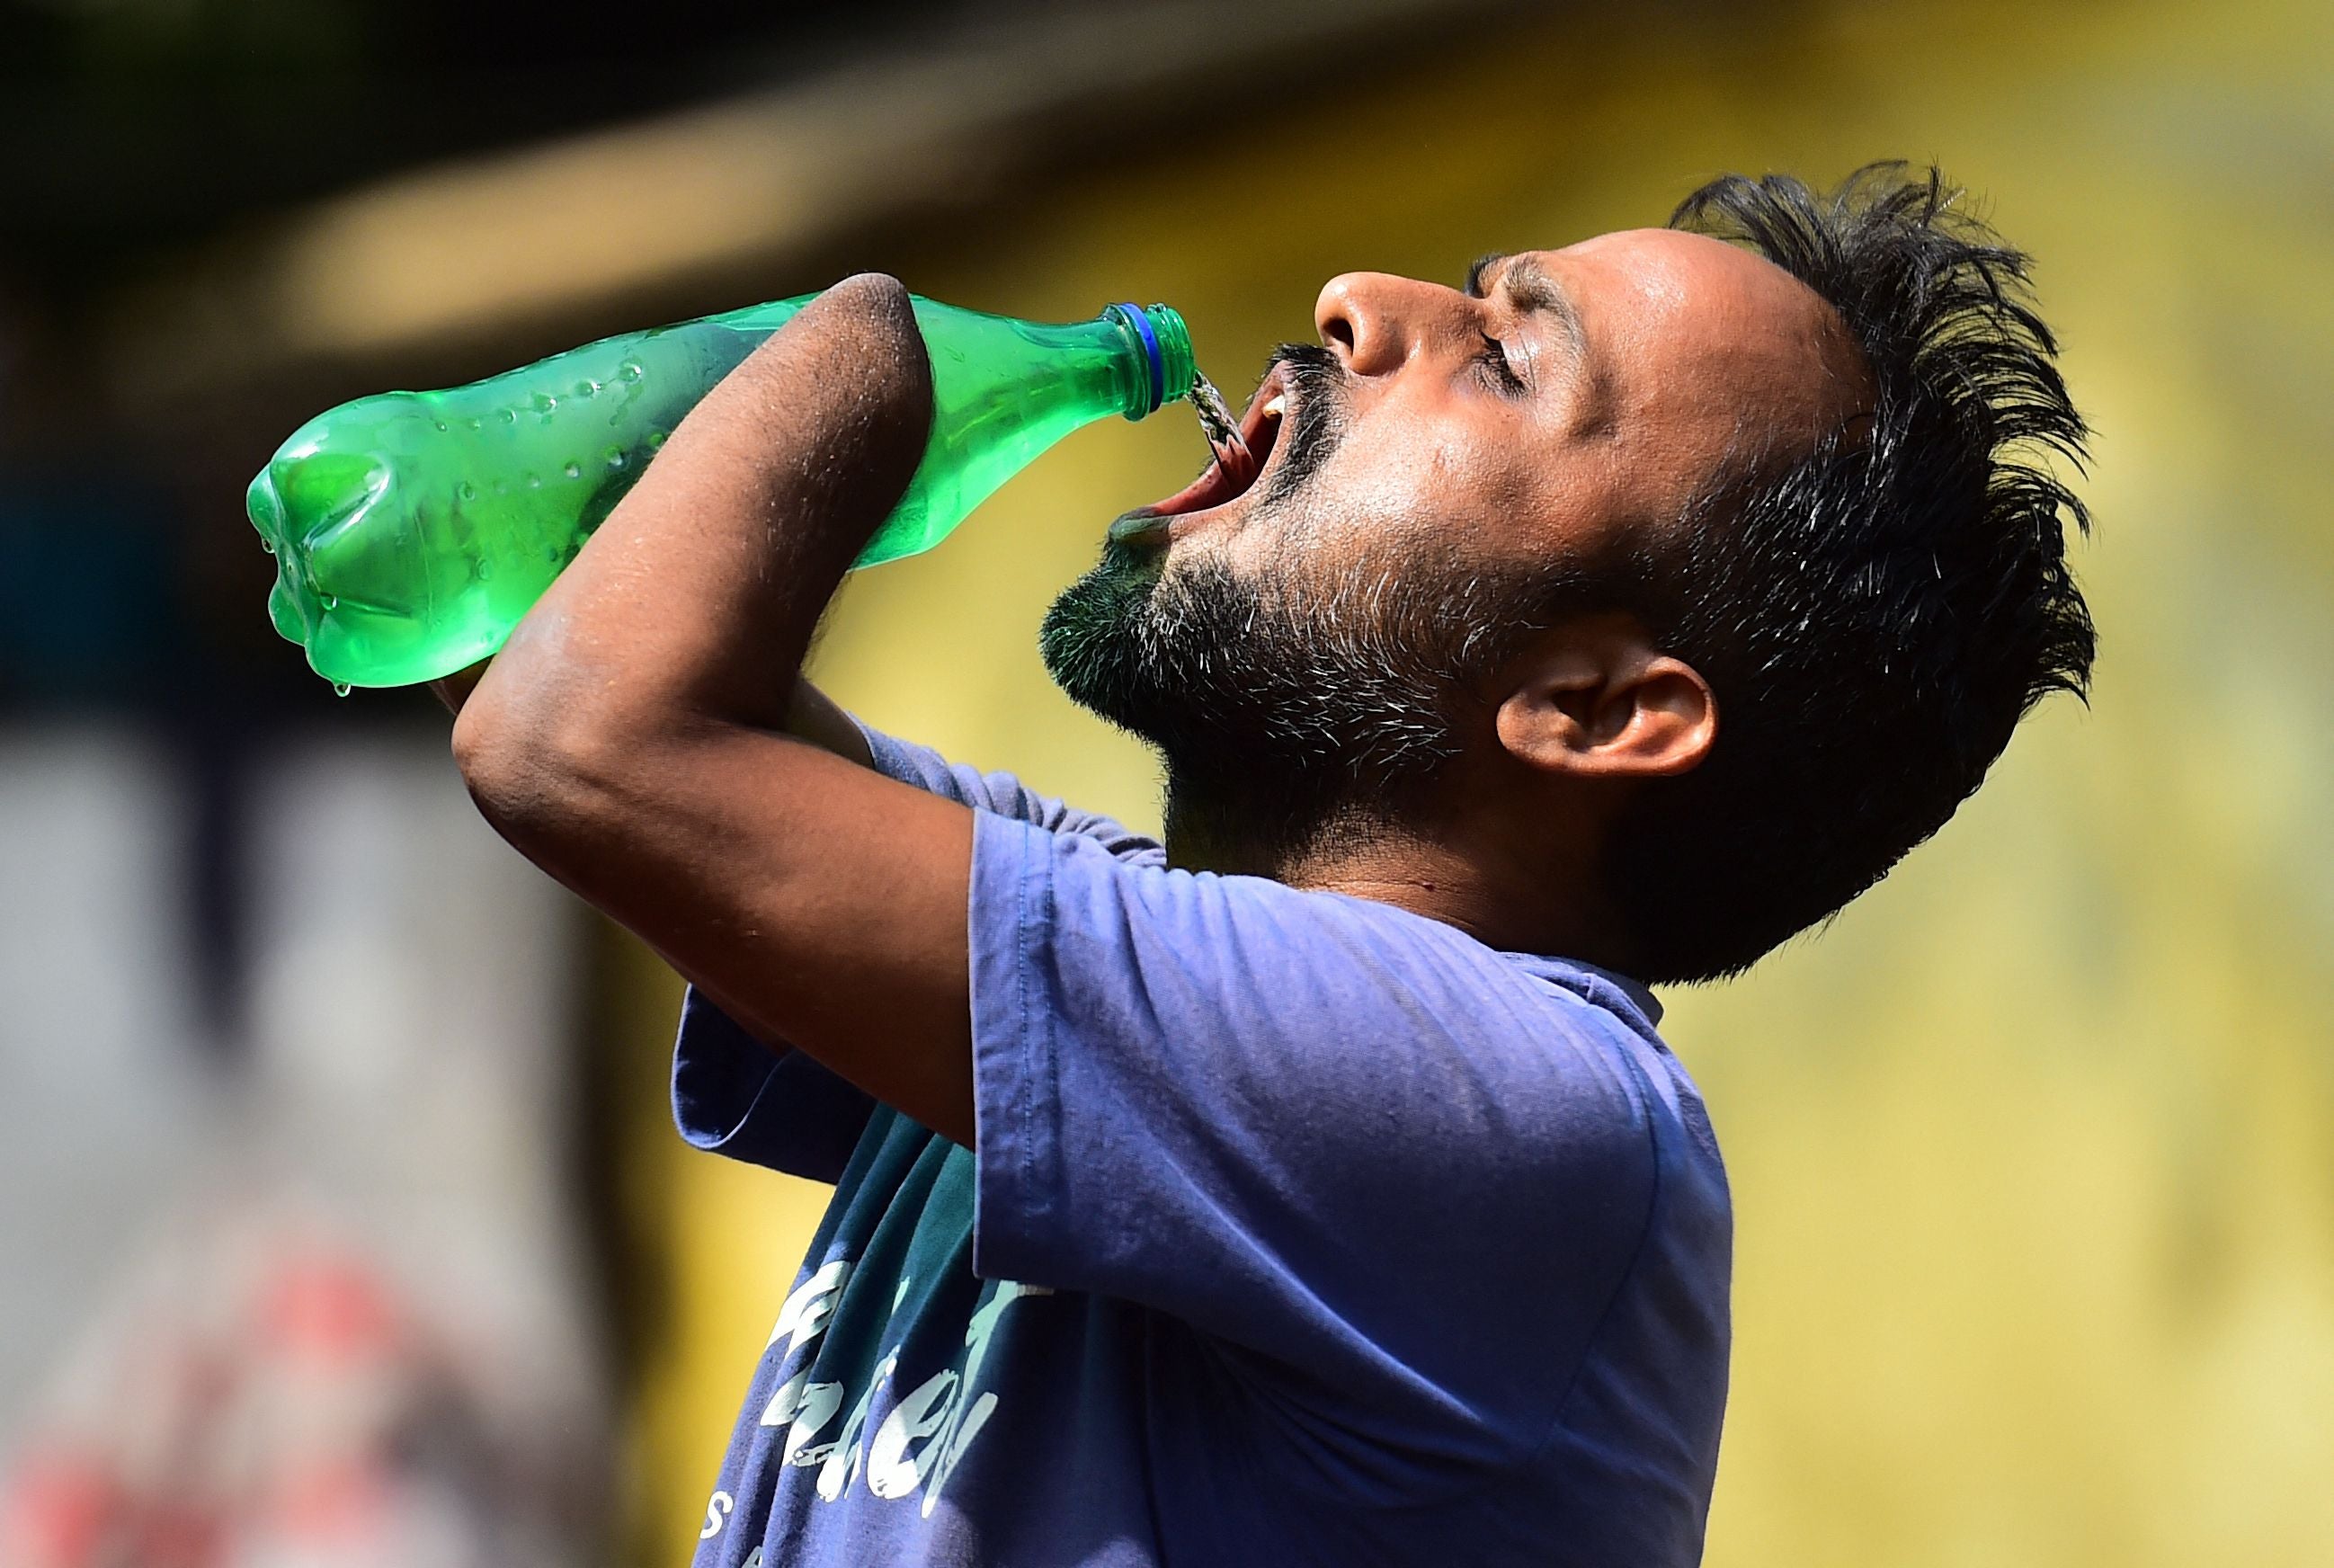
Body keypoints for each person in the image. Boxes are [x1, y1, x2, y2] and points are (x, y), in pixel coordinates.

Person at [437, 164, 2094, 1566]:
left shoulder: (1531, 1121)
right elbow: (578, 653)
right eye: (1468, 296)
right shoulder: (1113, 961)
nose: (1359, 301)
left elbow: (591, 735)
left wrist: (869, 344)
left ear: (1591, 708)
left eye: (1508, 365)